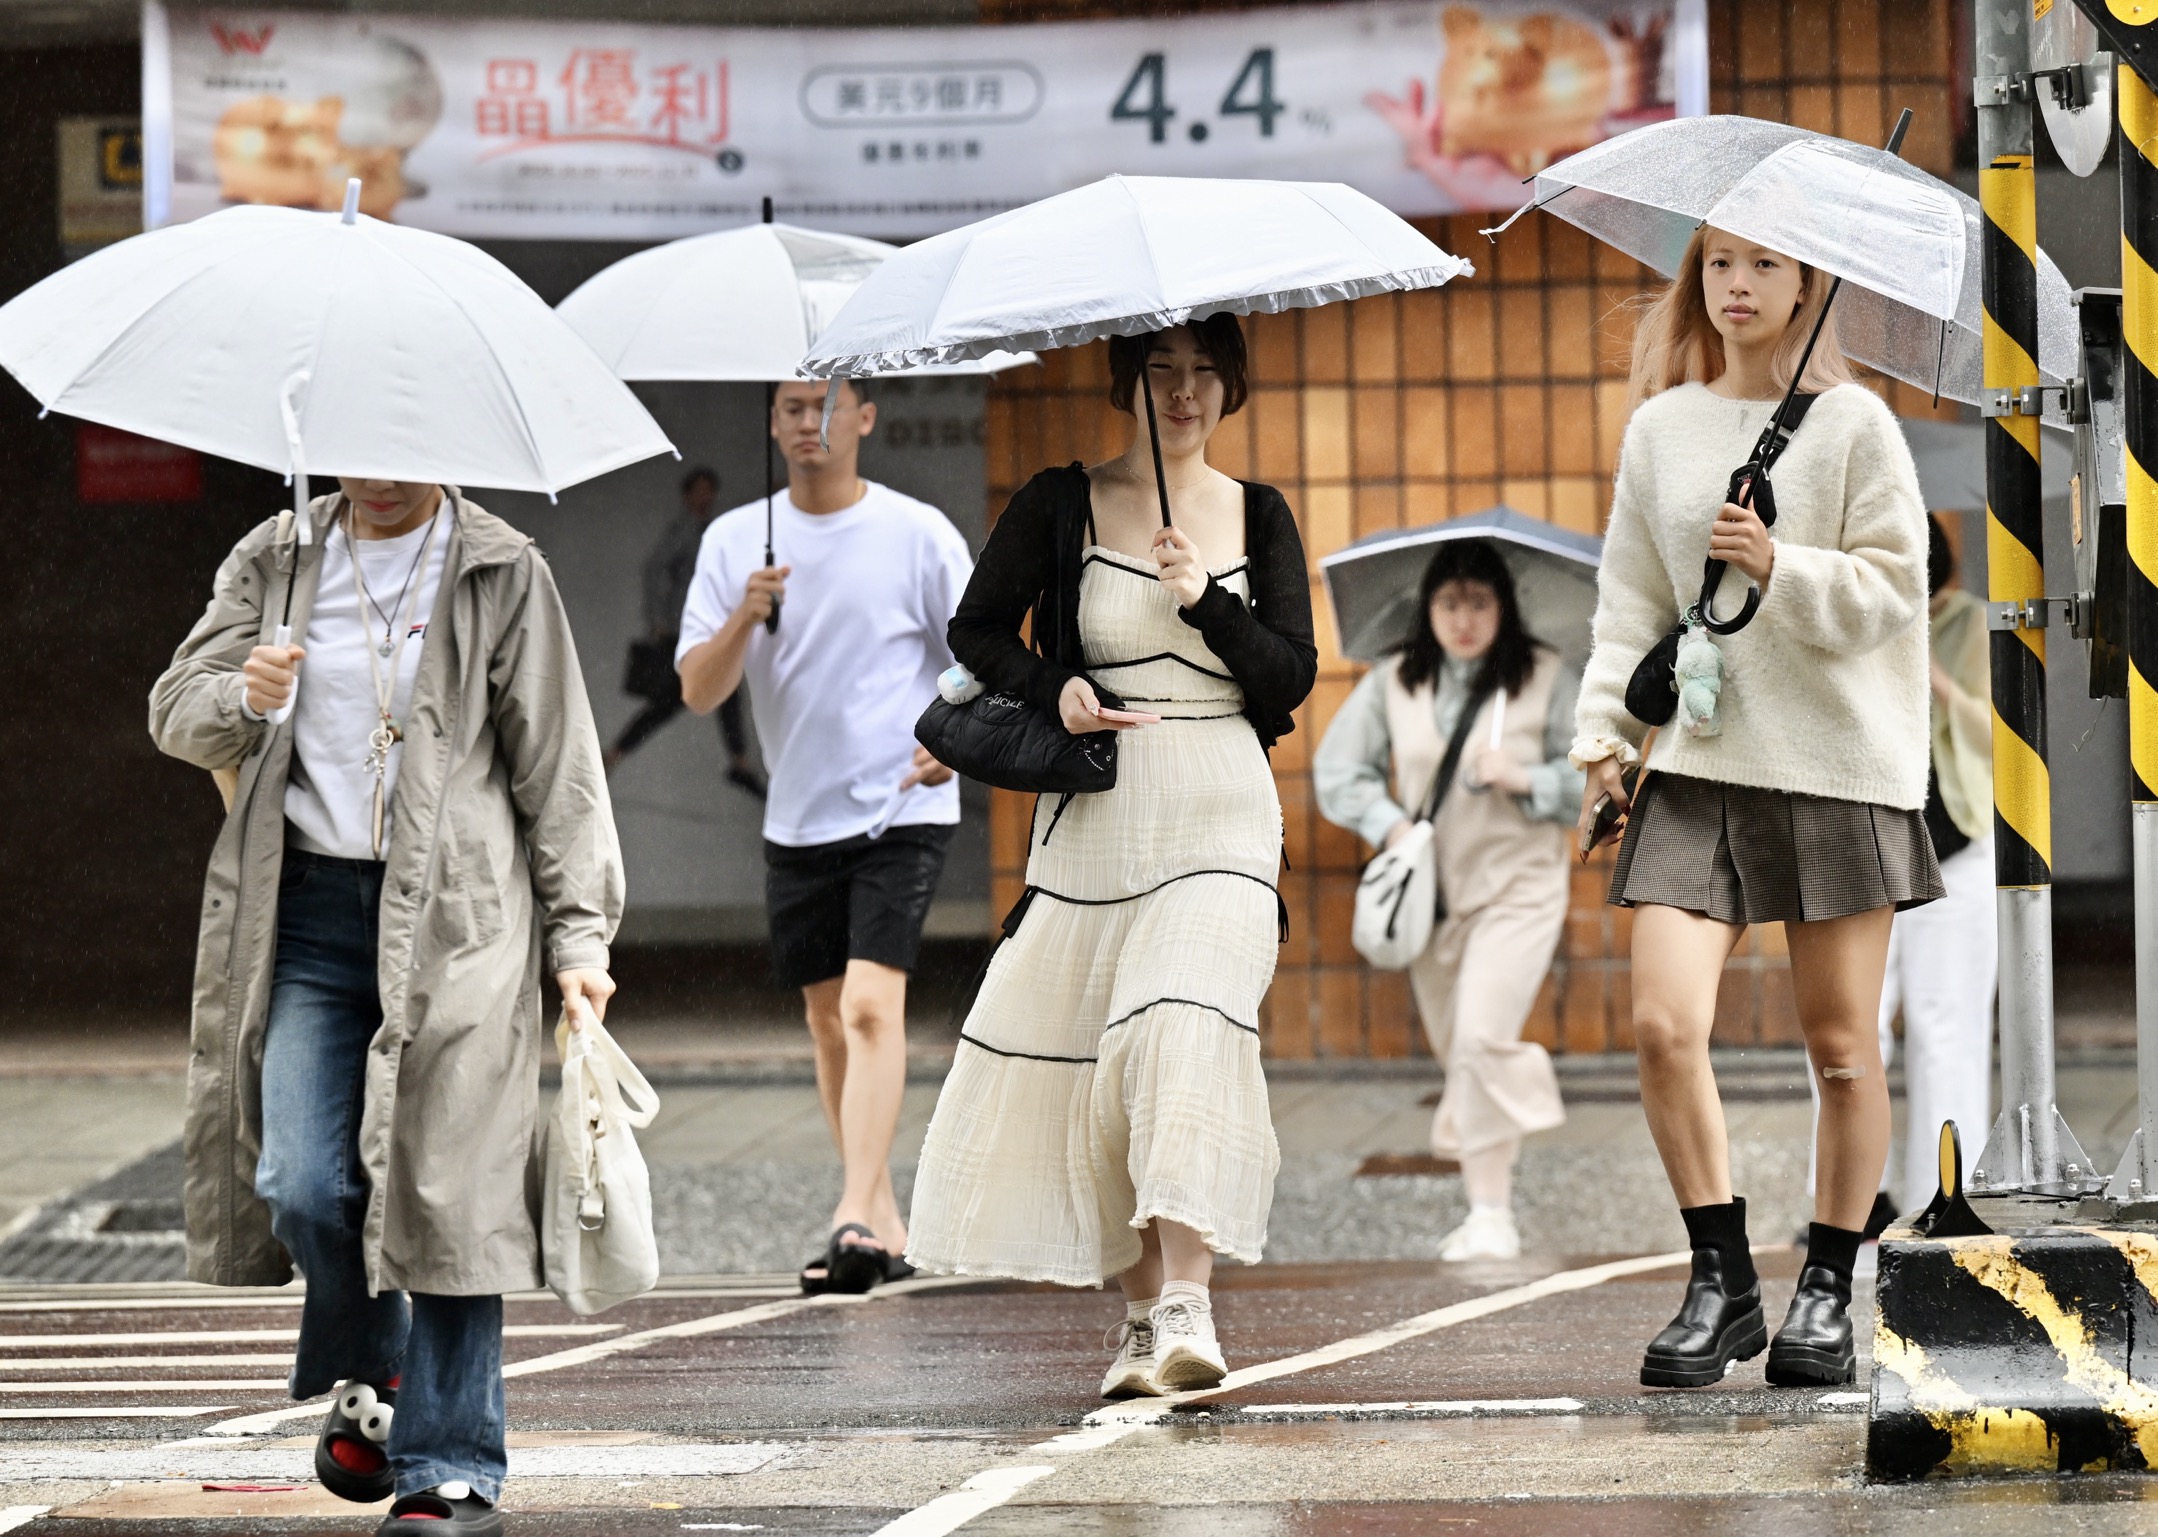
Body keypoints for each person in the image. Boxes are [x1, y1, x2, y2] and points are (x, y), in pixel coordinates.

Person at [150, 478, 624, 1537]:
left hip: (459, 918)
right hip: (309, 913)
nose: (380, 469)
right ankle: (381, 1367)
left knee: (453, 1193)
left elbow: (558, 762)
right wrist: (246, 696)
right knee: (302, 1179)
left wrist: (579, 936)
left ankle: (450, 1469)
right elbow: (174, 708)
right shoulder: (275, 557)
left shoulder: (501, 569)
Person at [904, 316, 1316, 1399]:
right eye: (1159, 372)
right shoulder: (1058, 500)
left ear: (1231, 388)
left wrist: (1205, 600)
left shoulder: (1256, 512)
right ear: (1123, 381)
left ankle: (1188, 1295)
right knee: (1097, 1056)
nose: (1182, 393)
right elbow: (978, 631)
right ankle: (1140, 1315)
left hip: (1222, 807)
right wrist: (1058, 689)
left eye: (1203, 375)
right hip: (1099, 812)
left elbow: (1287, 678)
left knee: (1181, 1020)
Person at [1573, 226, 1936, 1390]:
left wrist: (1782, 565)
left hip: (1834, 765)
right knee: (1662, 1025)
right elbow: (1628, 601)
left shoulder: (1855, 426)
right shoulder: (1660, 430)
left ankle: (1828, 1283)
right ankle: (1719, 1277)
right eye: (1719, 263)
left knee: (1838, 1047)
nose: (1737, 286)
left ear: (1808, 285)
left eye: (1765, 266)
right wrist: (1603, 747)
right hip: (1700, 759)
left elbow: (1894, 589)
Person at [676, 377, 971, 1296]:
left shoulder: (917, 532)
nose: (812, 422)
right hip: (797, 815)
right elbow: (698, 688)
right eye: (793, 408)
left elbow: (981, 658)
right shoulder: (736, 543)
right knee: (826, 1021)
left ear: (865, 418)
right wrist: (743, 614)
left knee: (873, 1010)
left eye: (829, 405)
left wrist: (951, 740)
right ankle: (882, 1218)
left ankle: (851, 1211)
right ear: (773, 423)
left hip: (901, 805)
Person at [1314, 538, 1582, 1261]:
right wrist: (1391, 823)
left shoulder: (1548, 676)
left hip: (1519, 891)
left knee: (1478, 1041)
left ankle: (1491, 1212)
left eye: (1479, 601)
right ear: (1428, 607)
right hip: (1434, 901)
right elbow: (1339, 771)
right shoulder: (1394, 680)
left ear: (1504, 607)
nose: (1463, 618)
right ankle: (1489, 1204)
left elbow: (1596, 783)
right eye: (1449, 601)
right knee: (1459, 1050)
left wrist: (1529, 778)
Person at [1805, 513, 1994, 1223]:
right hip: (1857, 849)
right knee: (1843, 1027)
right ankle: (1850, 1206)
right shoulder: (1838, 628)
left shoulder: (1971, 622)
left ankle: (1945, 1200)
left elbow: (2000, 734)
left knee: (1950, 1024)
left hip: (1955, 843)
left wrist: (1934, 676)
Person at [603, 465, 763, 797]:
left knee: (702, 696)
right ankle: (738, 762)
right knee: (679, 698)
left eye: (710, 490)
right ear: (688, 494)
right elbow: (655, 570)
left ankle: (739, 762)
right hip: (684, 629)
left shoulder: (709, 529)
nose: (706, 497)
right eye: (700, 490)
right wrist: (658, 620)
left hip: (704, 628)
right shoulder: (684, 531)